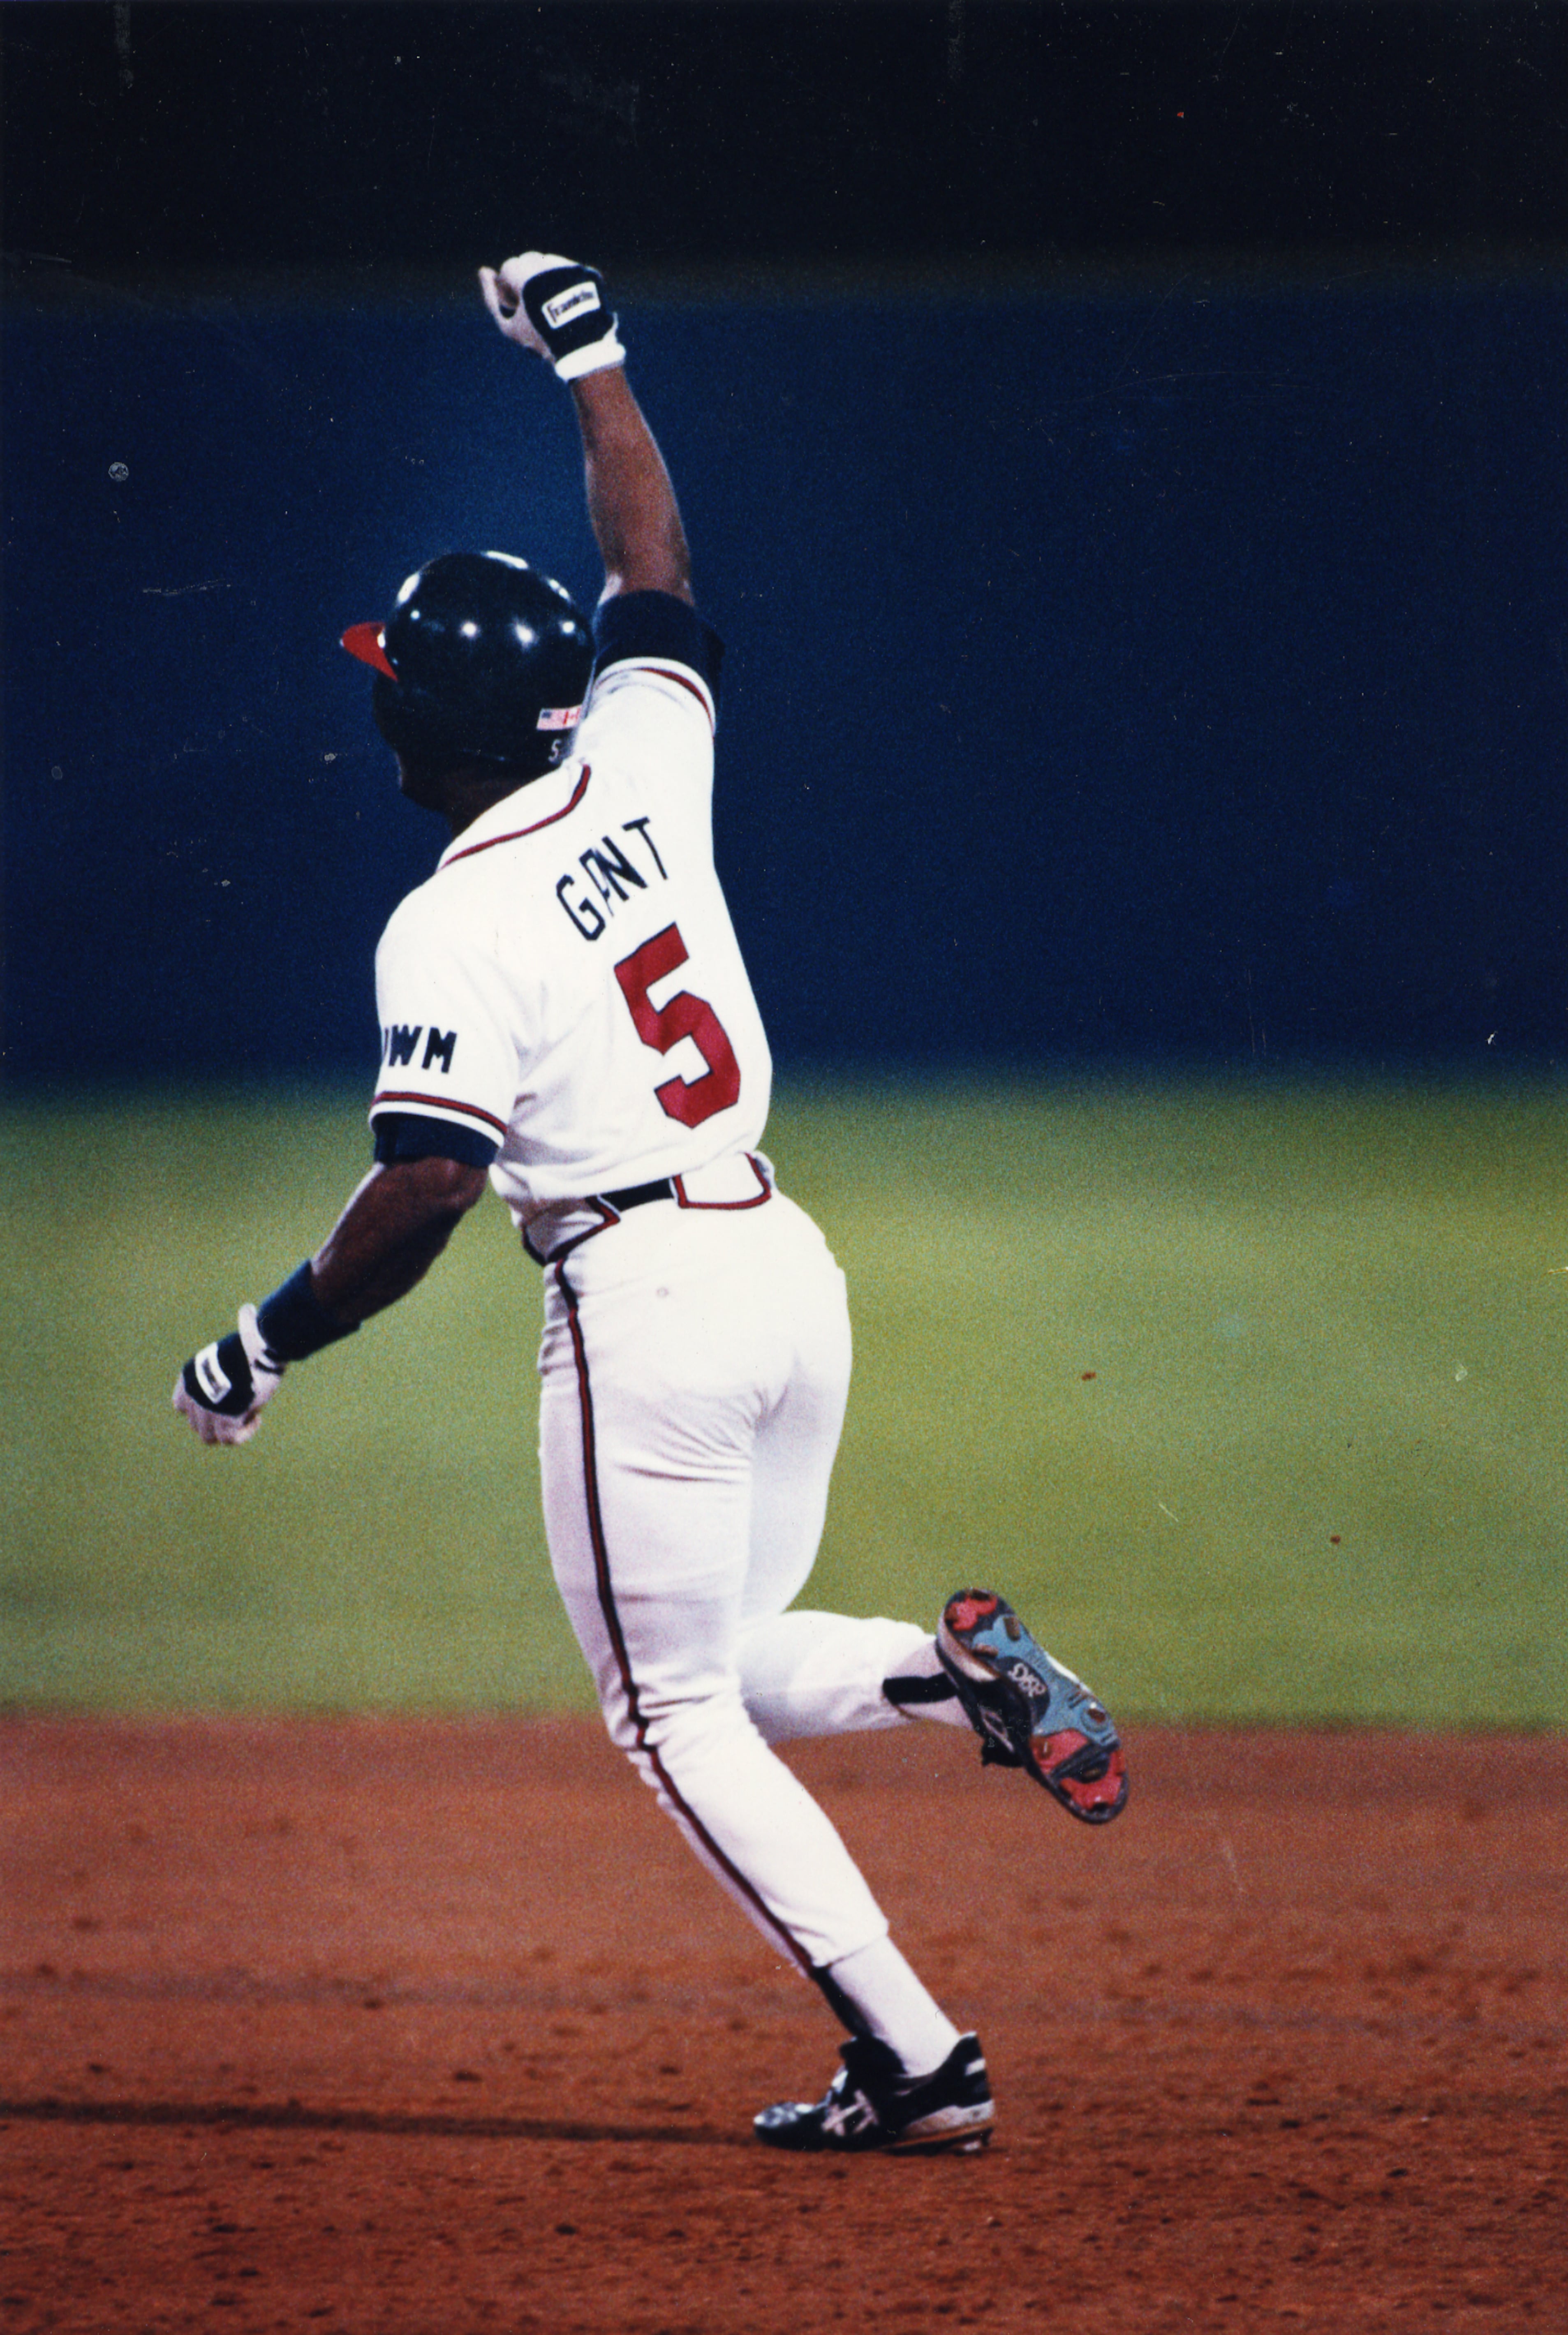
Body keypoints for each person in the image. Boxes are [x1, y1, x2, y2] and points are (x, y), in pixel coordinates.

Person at [173, 249, 1127, 2155]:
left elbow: (432, 1177)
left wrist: (262, 1337)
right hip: (785, 1262)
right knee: (725, 1662)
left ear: (409, 737)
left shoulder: (447, 918)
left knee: (667, 1719)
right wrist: (592, 355)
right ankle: (956, 1678)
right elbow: (654, 568)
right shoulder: (641, 755)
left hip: (646, 1306)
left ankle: (919, 2060)